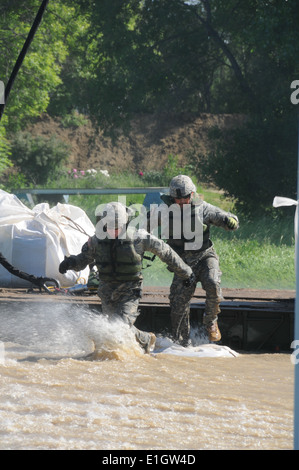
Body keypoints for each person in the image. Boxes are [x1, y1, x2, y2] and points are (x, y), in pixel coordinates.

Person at [59, 201, 194, 353]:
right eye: (110, 227)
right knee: (112, 329)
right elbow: (83, 260)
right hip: (107, 291)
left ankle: (132, 349)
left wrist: (186, 273)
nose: (113, 231)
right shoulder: (96, 241)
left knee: (119, 327)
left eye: (117, 228)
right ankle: (146, 339)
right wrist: (70, 262)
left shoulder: (139, 238)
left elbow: (167, 253)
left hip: (130, 290)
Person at [149, 174, 239, 346]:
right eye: (178, 199)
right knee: (177, 302)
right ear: (172, 198)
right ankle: (181, 342)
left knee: (213, 283)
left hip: (205, 256)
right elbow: (144, 226)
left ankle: (211, 321)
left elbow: (226, 217)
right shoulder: (163, 210)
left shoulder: (203, 208)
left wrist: (231, 221)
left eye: (185, 198)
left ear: (192, 195)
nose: (182, 202)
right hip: (182, 264)